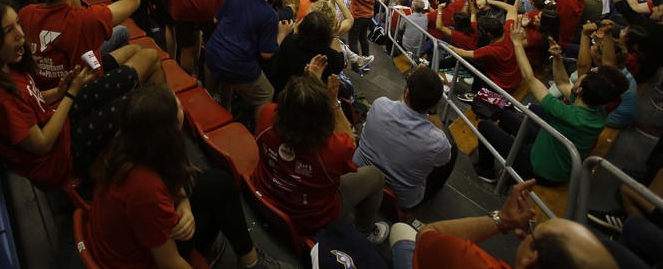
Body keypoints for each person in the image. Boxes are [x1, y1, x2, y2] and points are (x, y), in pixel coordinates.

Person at [89, 84, 295, 269]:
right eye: (177, 107)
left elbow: (172, 174)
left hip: (139, 235)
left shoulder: (131, 140)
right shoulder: (145, 187)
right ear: (166, 132)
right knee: (218, 192)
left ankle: (247, 260)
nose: (183, 109)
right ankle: (248, 262)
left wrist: (184, 202)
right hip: (143, 260)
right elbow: (168, 263)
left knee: (220, 184)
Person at [0, 0, 139, 188]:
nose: (20, 35)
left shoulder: (4, 68)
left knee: (129, 76)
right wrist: (70, 94)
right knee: (137, 104)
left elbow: (33, 99)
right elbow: (42, 144)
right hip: (58, 162)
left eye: (17, 24)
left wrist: (61, 90)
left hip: (55, 124)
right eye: (8, 30)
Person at [474, 19, 628, 185]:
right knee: (506, 116)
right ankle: (509, 158)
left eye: (582, 77)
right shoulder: (596, 108)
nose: (579, 76)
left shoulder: (565, 112)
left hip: (540, 170)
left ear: (581, 90)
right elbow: (562, 83)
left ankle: (486, 170)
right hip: (553, 154)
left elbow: (529, 78)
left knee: (484, 126)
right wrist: (557, 57)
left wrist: (517, 43)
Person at [253, 60, 389, 245]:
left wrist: (311, 81)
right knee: (375, 176)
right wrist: (334, 101)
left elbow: (299, 109)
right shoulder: (334, 150)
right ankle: (364, 230)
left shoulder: (266, 115)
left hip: (268, 190)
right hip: (309, 218)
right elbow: (350, 140)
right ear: (323, 117)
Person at [19, 0, 165, 92]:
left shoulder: (25, 13)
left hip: (50, 86)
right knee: (150, 55)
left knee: (133, 49)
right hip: (81, 91)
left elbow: (71, 6)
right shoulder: (88, 19)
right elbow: (133, 0)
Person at [388, 179, 619, 269]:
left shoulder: (473, 263)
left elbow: (428, 233)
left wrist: (502, 221)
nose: (530, 230)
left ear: (532, 257)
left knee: (402, 230)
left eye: (535, 232)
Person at [204, 0, 292, 124]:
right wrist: (283, 34)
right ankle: (258, 133)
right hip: (235, 64)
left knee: (227, 79)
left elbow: (216, 19)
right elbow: (266, 53)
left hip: (212, 52)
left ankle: (225, 109)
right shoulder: (270, 15)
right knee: (267, 94)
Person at [353, 66, 454, 209]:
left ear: (406, 92)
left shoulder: (380, 105)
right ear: (435, 105)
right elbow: (445, 158)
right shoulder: (438, 142)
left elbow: (401, 104)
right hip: (400, 199)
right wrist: (433, 110)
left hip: (358, 175)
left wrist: (413, 82)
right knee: (451, 151)